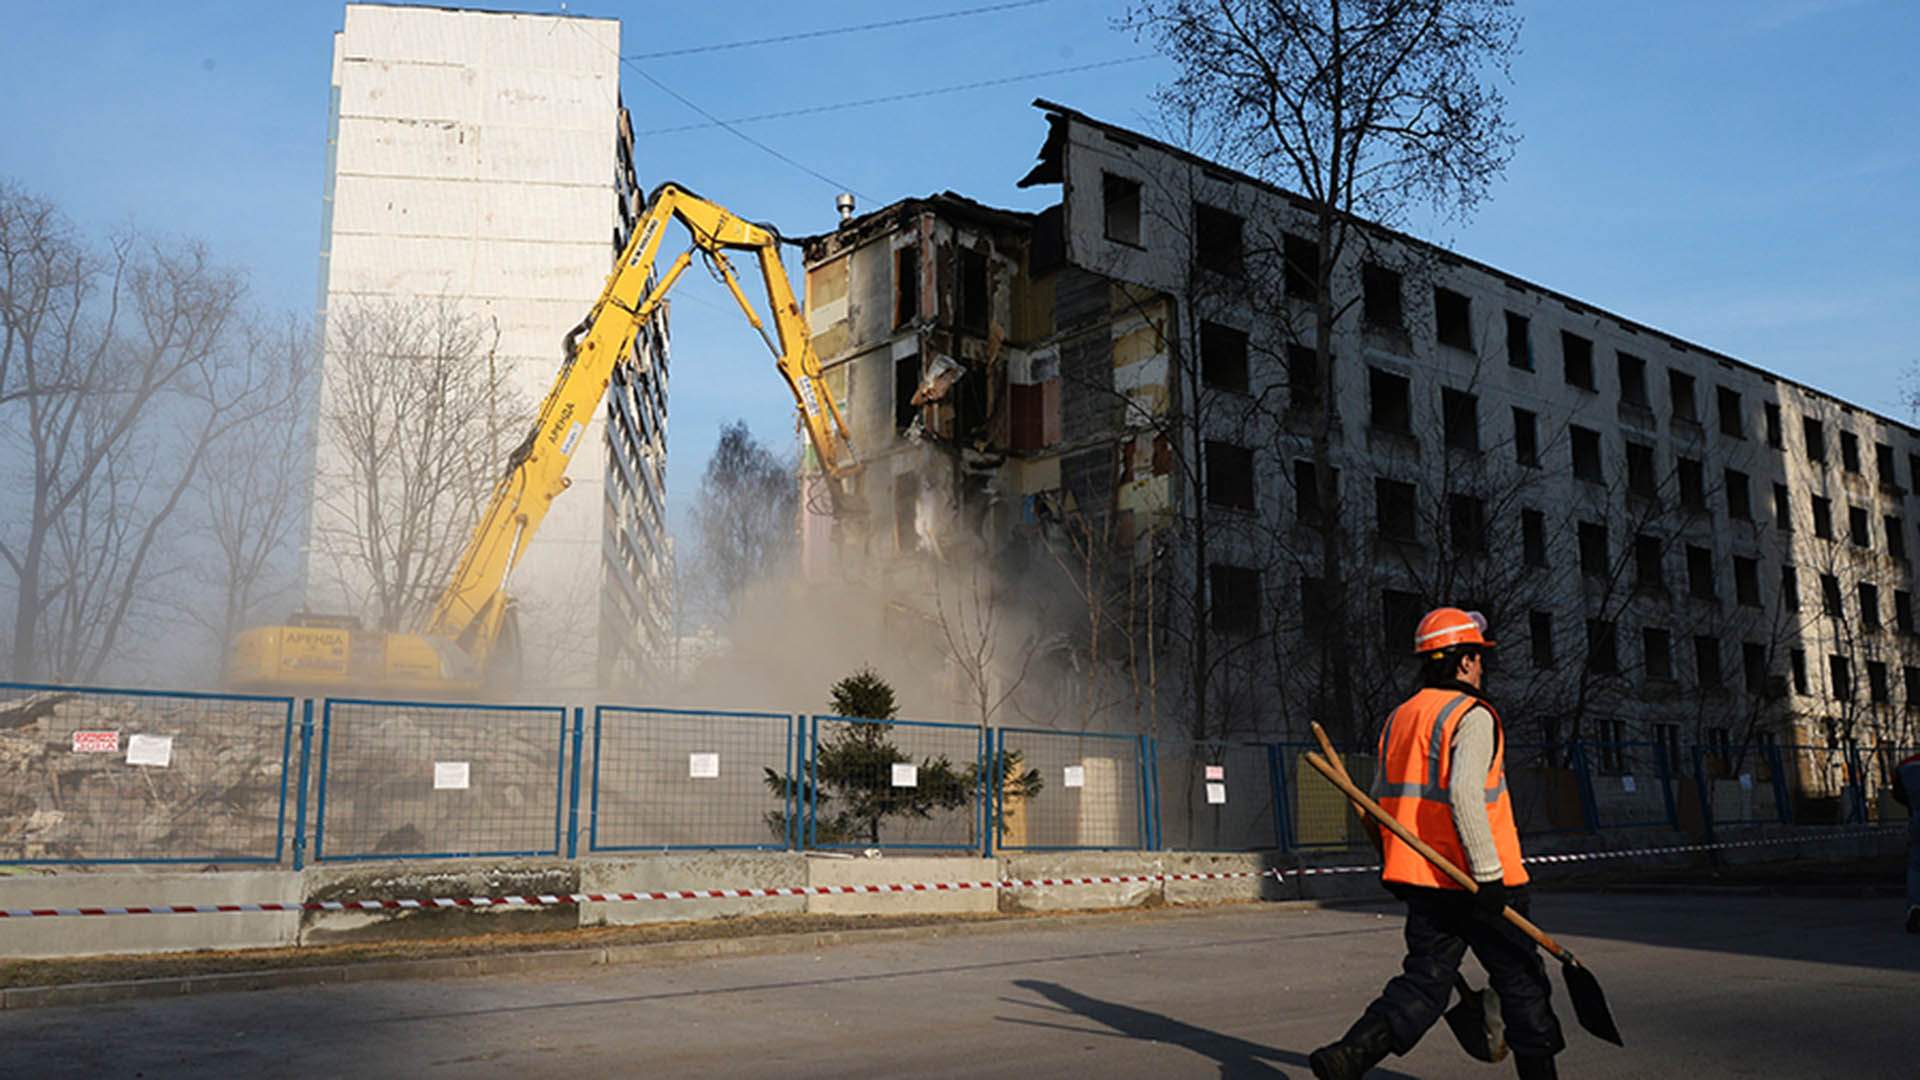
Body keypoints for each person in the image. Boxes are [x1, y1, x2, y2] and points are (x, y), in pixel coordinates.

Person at [1310, 608, 1566, 1080]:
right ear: (1465, 661)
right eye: (1479, 657)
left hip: (1425, 880)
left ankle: (1350, 1054)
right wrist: (1488, 875)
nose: (1482, 667)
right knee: (1522, 985)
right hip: (1483, 882)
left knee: (1425, 982)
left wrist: (1394, 863)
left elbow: (1390, 803)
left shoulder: (1400, 718)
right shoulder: (1472, 716)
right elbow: (1466, 795)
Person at [1892, 748, 1920, 934]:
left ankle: (1916, 907)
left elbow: (1898, 795)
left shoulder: (1906, 765)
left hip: (1918, 818)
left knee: (1916, 866)